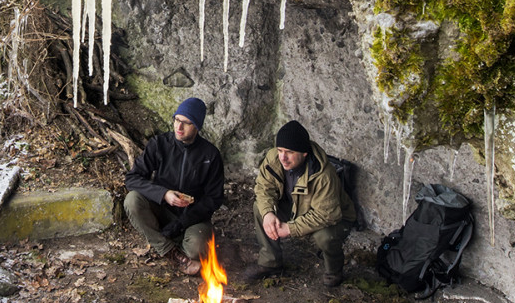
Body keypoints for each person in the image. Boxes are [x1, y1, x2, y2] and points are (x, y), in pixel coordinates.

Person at [245, 119, 355, 288]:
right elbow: (263, 187)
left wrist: (290, 228)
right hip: (296, 207)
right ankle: (270, 262)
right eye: (280, 150)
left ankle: (334, 271)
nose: (283, 157)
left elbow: (327, 214)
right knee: (259, 209)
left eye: (289, 152)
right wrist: (268, 213)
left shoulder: (323, 175)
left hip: (333, 217)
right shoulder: (274, 158)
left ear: (304, 154)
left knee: (324, 238)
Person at [124, 97, 224, 274]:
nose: (179, 127)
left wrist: (182, 222)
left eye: (186, 123)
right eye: (177, 120)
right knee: (132, 200)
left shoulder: (210, 155)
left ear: (197, 127)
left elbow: (214, 198)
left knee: (197, 249)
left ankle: (177, 240)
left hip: (192, 217)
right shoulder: (160, 144)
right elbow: (132, 178)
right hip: (161, 208)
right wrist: (163, 194)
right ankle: (171, 252)